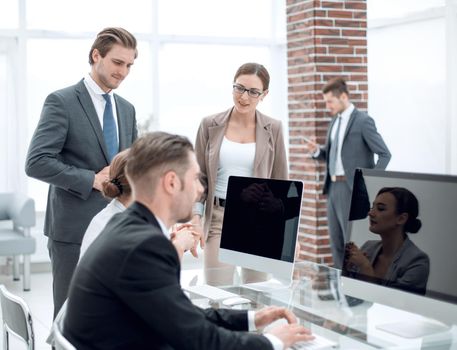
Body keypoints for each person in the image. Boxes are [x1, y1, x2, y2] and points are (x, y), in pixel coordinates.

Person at [64, 131, 313, 350]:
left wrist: (250, 319)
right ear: (172, 182)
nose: (201, 190)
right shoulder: (144, 246)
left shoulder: (126, 223)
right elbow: (200, 341)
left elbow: (180, 313)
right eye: (195, 179)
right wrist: (273, 341)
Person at [25, 27, 138, 317]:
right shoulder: (61, 101)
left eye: (129, 65)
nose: (123, 72)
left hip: (117, 229)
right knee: (68, 316)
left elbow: (131, 165)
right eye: (117, 62)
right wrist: (92, 179)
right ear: (96, 56)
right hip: (73, 230)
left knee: (109, 315)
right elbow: (37, 161)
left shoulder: (127, 109)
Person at [193, 62, 289, 285]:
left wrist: (285, 232)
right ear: (233, 87)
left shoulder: (273, 128)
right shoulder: (210, 124)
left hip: (259, 219)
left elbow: (281, 181)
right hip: (218, 217)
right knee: (217, 294)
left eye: (253, 92)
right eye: (240, 88)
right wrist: (196, 218)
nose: (244, 97)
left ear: (264, 94)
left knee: (257, 296)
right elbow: (199, 178)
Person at [305, 77, 391, 268]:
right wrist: (317, 152)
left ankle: (357, 294)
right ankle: (340, 290)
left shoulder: (363, 121)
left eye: (330, 101)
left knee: (352, 245)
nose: (327, 106)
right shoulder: (334, 121)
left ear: (343, 96)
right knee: (336, 243)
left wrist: (369, 183)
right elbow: (331, 154)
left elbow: (385, 154)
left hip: (352, 190)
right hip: (333, 188)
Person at [344, 187, 430, 294]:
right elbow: (351, 291)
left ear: (401, 219)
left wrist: (365, 267)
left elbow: (394, 303)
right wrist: (346, 270)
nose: (370, 213)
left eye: (380, 208)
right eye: (372, 207)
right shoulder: (368, 246)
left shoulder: (417, 261)